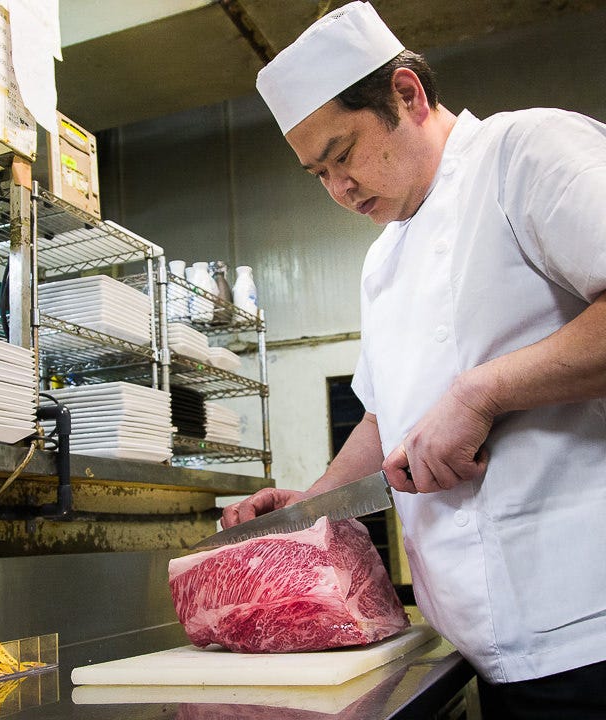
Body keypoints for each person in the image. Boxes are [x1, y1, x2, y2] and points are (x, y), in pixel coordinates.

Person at [220, 2, 606, 717]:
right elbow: (385, 412)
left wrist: (481, 394)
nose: (339, 190)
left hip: (591, 634)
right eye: (317, 175)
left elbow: (463, 391)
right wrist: (315, 502)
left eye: (343, 155)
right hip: (486, 650)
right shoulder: (383, 259)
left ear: (407, 94)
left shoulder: (525, 153)